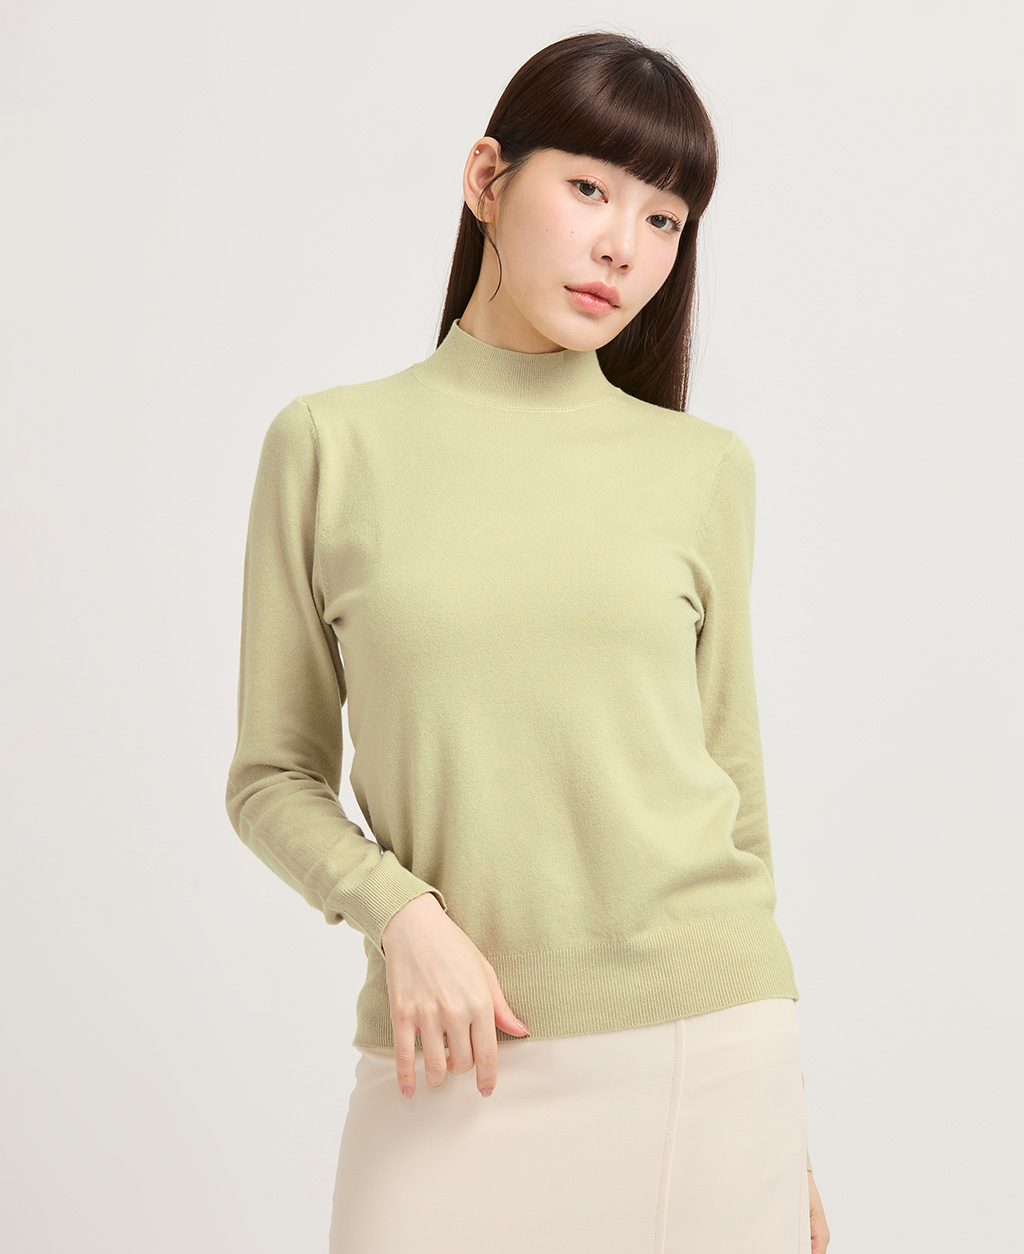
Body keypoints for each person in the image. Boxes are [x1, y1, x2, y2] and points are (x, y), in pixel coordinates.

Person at [225, 29, 830, 1254]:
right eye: (591, 188)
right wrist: (398, 912)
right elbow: (270, 778)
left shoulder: (701, 470)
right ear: (486, 180)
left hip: (702, 1058)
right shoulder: (330, 447)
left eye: (664, 219)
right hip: (447, 1054)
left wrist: (782, 1125)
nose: (623, 246)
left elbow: (734, 792)